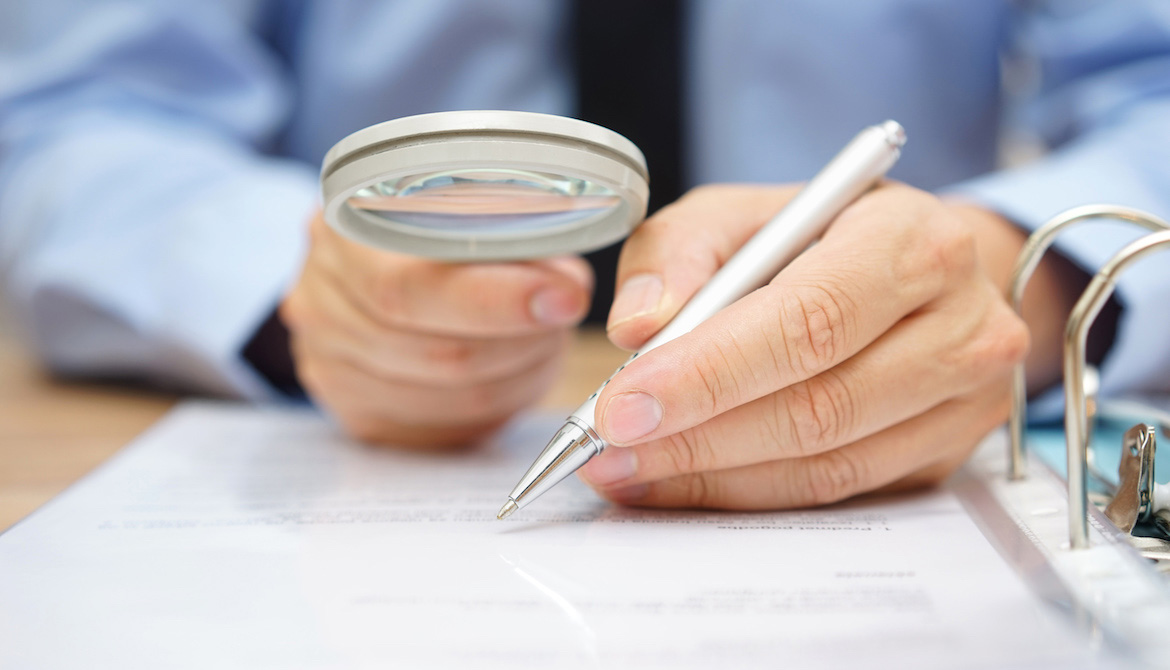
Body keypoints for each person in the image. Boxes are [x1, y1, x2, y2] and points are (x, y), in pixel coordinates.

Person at [1, 1, 1168, 510]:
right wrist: (296, 291)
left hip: (930, 386)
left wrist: (1020, 264)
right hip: (338, 407)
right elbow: (76, 112)